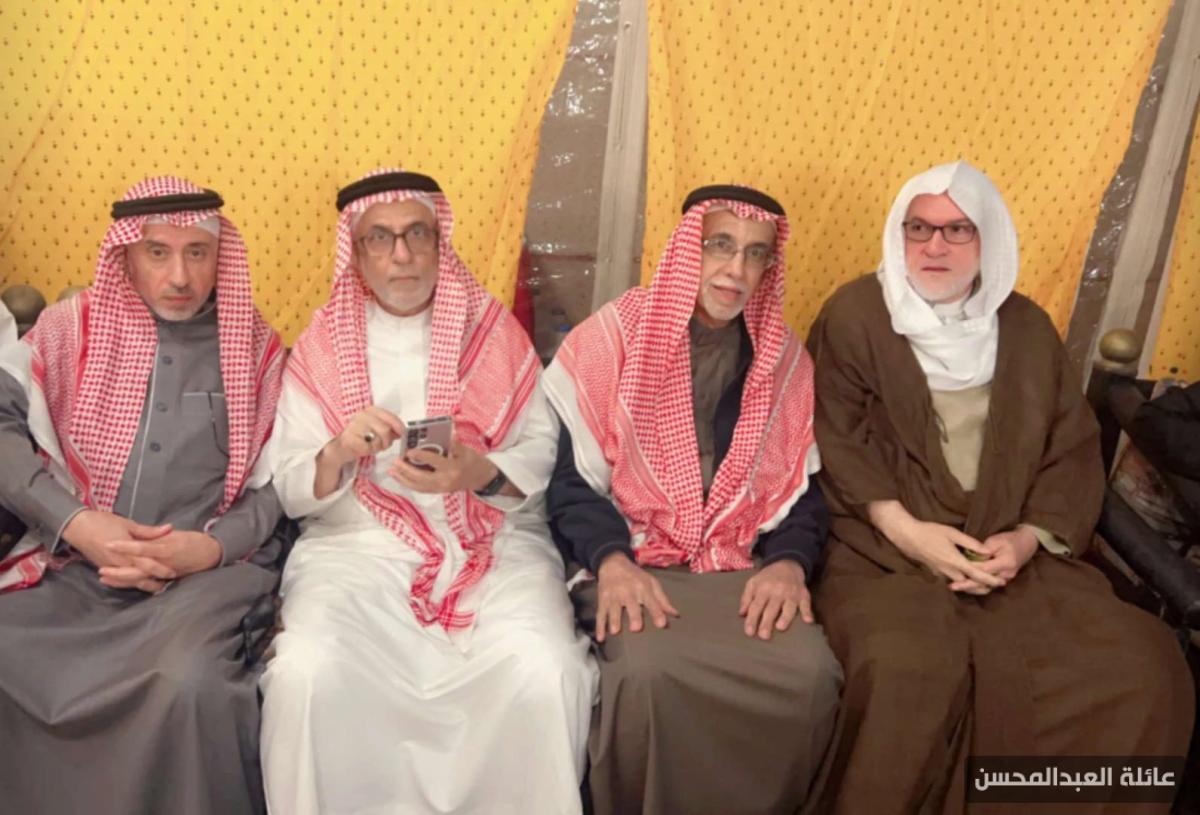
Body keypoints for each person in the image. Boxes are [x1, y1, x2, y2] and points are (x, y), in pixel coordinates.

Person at [809, 160, 1194, 814]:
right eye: (919, 227)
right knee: (908, 668)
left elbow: (1069, 450)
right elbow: (834, 438)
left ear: (988, 238)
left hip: (1013, 557)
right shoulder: (855, 317)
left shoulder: (1026, 328)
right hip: (884, 553)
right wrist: (913, 534)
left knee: (1143, 666)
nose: (935, 245)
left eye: (957, 229)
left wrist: (1025, 539)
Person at [259, 169, 597, 815]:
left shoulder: (493, 333)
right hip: (356, 547)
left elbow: (538, 451)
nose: (402, 255)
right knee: (307, 672)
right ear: (356, 254)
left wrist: (476, 472)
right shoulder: (322, 347)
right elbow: (291, 486)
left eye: (417, 234)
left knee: (545, 666)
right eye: (380, 238)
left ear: (439, 243)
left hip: (491, 544)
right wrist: (339, 450)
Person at [544, 184, 842, 815]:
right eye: (720, 246)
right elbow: (569, 483)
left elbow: (802, 488)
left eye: (755, 254)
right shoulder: (612, 339)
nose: (736, 270)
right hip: (631, 559)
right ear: (686, 251)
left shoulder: (782, 358)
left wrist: (790, 564)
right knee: (646, 673)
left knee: (810, 675)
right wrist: (611, 561)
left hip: (738, 565)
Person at [0, 177, 286, 814]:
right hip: (75, 567)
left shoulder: (255, 348)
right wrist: (75, 522)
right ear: (126, 255)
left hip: (201, 580)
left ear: (220, 255)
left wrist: (208, 549)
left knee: (189, 685)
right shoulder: (66, 330)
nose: (180, 275)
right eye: (158, 252)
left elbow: (277, 486)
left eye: (197, 252)